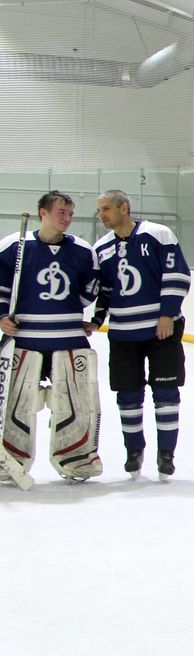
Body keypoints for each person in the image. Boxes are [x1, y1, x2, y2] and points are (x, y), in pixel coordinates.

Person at [0, 192, 104, 490]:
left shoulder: (82, 250)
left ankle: (77, 457)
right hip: (24, 339)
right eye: (61, 212)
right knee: (15, 402)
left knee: (76, 401)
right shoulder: (14, 246)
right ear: (43, 213)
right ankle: (9, 458)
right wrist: (1, 316)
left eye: (70, 213)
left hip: (69, 337)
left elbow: (90, 289)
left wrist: (69, 312)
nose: (67, 218)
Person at [92, 189, 192, 482]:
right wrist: (97, 319)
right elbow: (105, 289)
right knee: (128, 395)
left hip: (162, 331)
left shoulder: (158, 234)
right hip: (123, 333)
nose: (101, 215)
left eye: (106, 208)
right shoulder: (102, 247)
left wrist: (167, 313)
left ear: (124, 208)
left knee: (166, 392)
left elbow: (177, 274)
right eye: (99, 210)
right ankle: (134, 451)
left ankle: (166, 454)